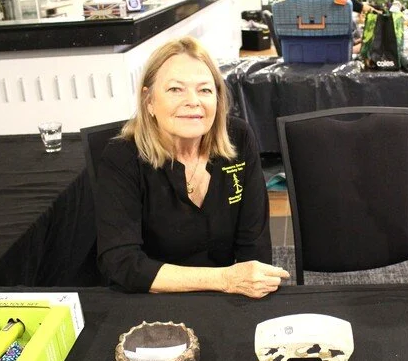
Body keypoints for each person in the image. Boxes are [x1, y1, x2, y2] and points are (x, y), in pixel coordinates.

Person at [95, 37, 290, 297]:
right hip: (152, 301)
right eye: (175, 89)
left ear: (218, 100)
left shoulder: (238, 138)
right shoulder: (122, 157)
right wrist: (224, 279)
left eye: (205, 90)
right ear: (149, 100)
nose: (193, 101)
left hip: (228, 299)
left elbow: (254, 246)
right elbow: (121, 263)